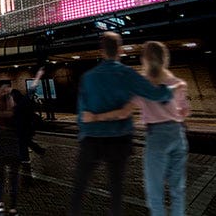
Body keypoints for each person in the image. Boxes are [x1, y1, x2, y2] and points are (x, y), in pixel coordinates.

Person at [70, 32, 181, 216]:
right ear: (120, 50)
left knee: (79, 187)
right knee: (116, 190)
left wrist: (85, 133)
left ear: (102, 51)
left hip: (91, 139)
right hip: (119, 140)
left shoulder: (88, 77)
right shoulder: (128, 74)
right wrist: (172, 88)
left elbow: (82, 115)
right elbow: (156, 95)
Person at [0, 85, 21, 215]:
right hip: (13, 152)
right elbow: (21, 132)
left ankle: (0, 205)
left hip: (0, 153)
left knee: (0, 179)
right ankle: (13, 207)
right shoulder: (15, 115)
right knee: (13, 180)